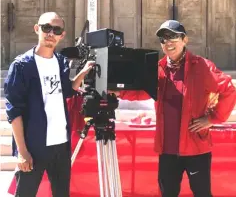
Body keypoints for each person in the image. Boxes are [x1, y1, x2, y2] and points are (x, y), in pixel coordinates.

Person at [112, 20, 236, 197]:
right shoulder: (159, 68)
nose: (168, 42)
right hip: (167, 149)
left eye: (173, 37)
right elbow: (143, 92)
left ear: (185, 40)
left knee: (202, 193)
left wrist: (212, 118)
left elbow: (229, 90)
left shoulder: (202, 66)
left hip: (196, 147)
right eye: (163, 39)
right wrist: (118, 92)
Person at [4, 12, 95, 197]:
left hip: (61, 144)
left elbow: (67, 91)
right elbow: (14, 111)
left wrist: (83, 73)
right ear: (37, 29)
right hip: (34, 145)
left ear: (62, 35)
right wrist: (22, 152)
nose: (50, 33)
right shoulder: (22, 65)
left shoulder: (61, 62)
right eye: (46, 28)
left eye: (56, 30)